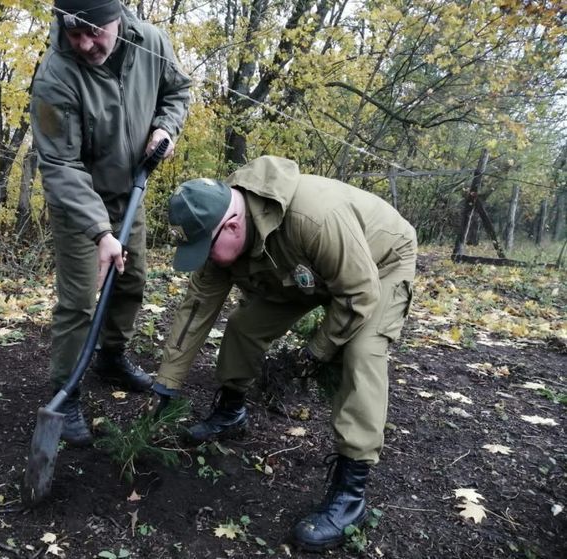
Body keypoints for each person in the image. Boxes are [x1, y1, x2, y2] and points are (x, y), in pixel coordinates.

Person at [152, 156, 417, 552]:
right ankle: (231, 411)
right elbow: (195, 310)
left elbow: (360, 294)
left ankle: (351, 492)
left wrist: (317, 351)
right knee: (245, 326)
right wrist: (167, 385)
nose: (203, 259)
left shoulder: (314, 217)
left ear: (232, 225)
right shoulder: (218, 230)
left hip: (379, 263)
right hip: (298, 267)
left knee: (361, 353)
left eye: (204, 249)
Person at [30, 0, 191, 446]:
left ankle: (112, 356)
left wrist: (165, 128)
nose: (84, 44)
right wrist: (100, 232)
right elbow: (60, 165)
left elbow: (178, 91)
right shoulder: (55, 76)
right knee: (80, 300)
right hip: (79, 204)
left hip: (129, 192)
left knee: (132, 278)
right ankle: (67, 392)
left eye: (94, 32)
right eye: (73, 33)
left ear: (116, 18)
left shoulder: (152, 43)